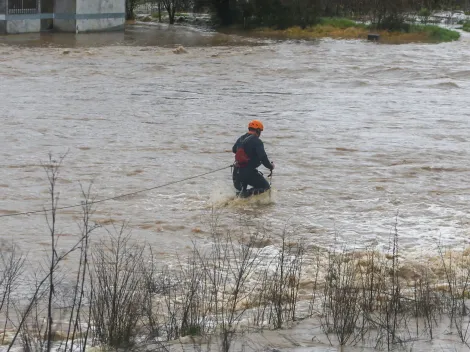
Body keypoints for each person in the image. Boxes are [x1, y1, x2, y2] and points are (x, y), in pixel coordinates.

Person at [232, 120, 275, 197]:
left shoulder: (241, 138)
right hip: (248, 173)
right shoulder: (257, 141)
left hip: (236, 173)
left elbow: (234, 149)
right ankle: (244, 194)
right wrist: (270, 166)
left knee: (241, 191)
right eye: (260, 131)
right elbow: (263, 158)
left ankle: (241, 195)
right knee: (266, 188)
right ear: (258, 130)